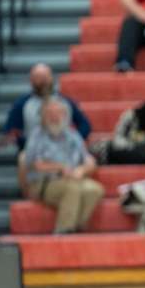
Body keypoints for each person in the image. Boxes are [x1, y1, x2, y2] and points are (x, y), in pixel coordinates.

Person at [24, 99, 104, 235]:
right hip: (45, 182)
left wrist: (82, 170)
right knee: (72, 189)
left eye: (58, 113)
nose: (54, 117)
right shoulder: (37, 136)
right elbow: (35, 165)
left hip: (73, 177)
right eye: (50, 114)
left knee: (95, 190)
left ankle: (77, 227)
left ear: (65, 116)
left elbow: (89, 160)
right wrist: (60, 168)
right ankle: (63, 232)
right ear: (43, 117)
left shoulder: (73, 135)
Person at [4, 63, 91, 151]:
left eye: (45, 77)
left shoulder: (65, 102)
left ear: (51, 78)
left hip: (65, 150)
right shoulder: (21, 104)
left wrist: (73, 140)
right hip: (34, 152)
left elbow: (85, 125)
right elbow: (11, 131)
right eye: (38, 78)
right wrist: (27, 143)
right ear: (31, 80)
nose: (43, 81)